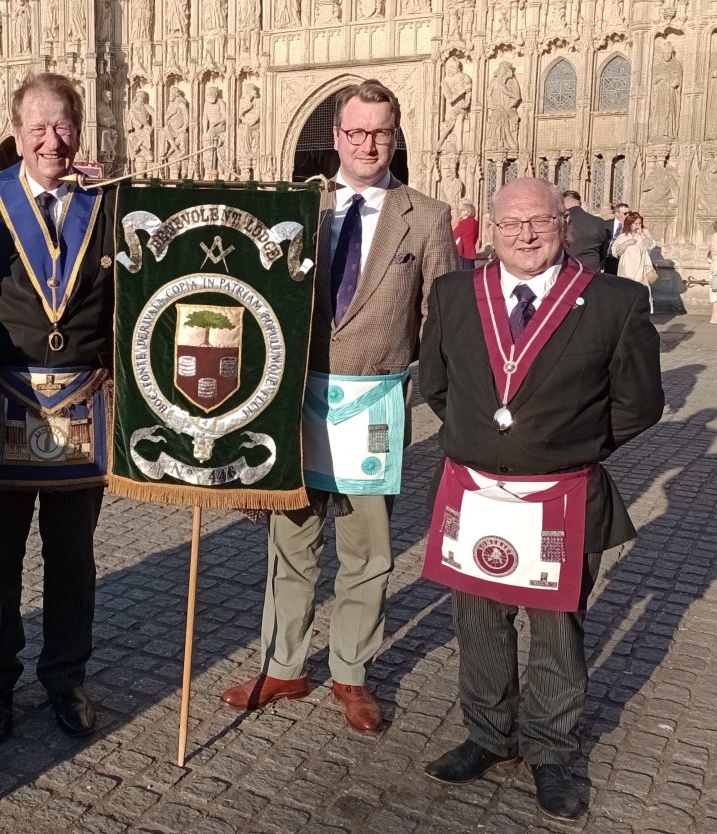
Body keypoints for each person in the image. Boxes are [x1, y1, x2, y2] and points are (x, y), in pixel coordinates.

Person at [419, 177, 663, 822]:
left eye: (540, 222)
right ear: (491, 229)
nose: (524, 235)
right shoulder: (454, 294)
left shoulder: (613, 301)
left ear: (564, 224)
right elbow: (437, 386)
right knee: (479, 621)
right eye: (510, 223)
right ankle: (487, 734)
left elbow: (640, 403)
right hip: (476, 492)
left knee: (556, 628)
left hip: (561, 495)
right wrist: (483, 441)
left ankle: (550, 751)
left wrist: (567, 446)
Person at [221, 79, 458, 732]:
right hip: (296, 403)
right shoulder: (301, 208)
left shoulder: (427, 216)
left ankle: (352, 672)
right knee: (291, 542)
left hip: (373, 407)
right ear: (337, 136)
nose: (367, 144)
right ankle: (283, 666)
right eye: (356, 132)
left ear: (395, 136)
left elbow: (442, 318)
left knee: (367, 549)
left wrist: (432, 392)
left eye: (380, 132)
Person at [0, 72, 115, 742]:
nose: (52, 141)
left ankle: (66, 677)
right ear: (17, 134)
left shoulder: (106, 202)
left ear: (79, 131)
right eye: (38, 127)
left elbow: (128, 309)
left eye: (63, 126)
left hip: (82, 410)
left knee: (73, 558)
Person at [611, 211, 656, 313]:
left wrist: (642, 234)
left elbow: (650, 246)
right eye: (635, 223)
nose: (638, 226)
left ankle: (642, 314)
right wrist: (626, 243)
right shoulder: (623, 236)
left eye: (640, 223)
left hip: (641, 270)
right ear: (629, 224)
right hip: (627, 271)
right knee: (627, 295)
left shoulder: (643, 234)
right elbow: (615, 252)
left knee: (642, 294)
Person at [561, 190, 610, 272]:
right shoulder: (599, 221)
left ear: (563, 203)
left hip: (568, 269)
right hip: (592, 270)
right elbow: (604, 250)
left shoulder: (561, 221)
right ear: (580, 203)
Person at [603, 202, 629, 275]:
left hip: (621, 261)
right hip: (606, 260)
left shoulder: (629, 227)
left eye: (629, 213)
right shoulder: (605, 224)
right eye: (625, 213)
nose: (628, 215)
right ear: (617, 213)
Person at [453, 198, 479, 269]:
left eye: (461, 210)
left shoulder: (466, 222)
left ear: (466, 211)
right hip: (470, 253)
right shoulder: (474, 222)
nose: (460, 212)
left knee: (463, 273)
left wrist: (457, 222)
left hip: (464, 253)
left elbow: (454, 234)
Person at [707, 220, 717, 325]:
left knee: (715, 291)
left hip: (714, 267)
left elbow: (709, 256)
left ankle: (714, 317)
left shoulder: (714, 236)